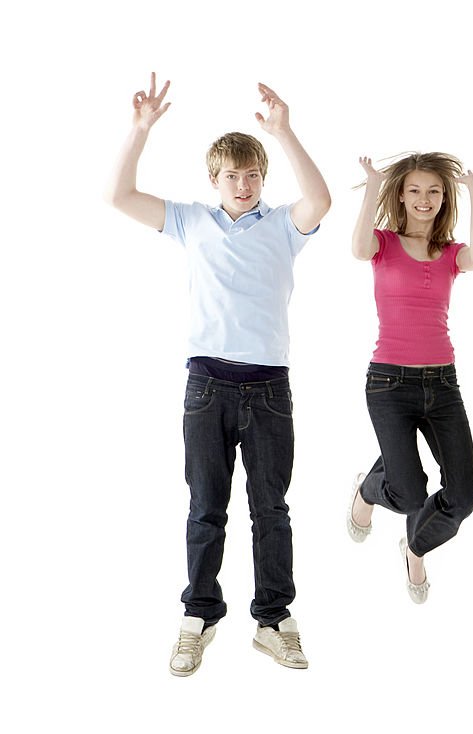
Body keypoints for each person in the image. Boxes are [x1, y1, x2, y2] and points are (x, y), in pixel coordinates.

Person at [107, 74, 331, 675]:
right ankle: (199, 615)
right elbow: (120, 195)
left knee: (271, 508)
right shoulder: (190, 221)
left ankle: (273, 618)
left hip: (269, 389)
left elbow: (322, 200)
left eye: (252, 174)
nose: (242, 183)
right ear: (215, 179)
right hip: (207, 385)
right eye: (232, 175)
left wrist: (283, 132)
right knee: (206, 506)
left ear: (262, 177)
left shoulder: (284, 225)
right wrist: (140, 129)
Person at [347, 152, 473, 604]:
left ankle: (415, 547)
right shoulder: (383, 244)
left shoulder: (448, 254)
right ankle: (369, 489)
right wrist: (372, 184)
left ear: (444, 198)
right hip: (388, 384)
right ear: (402, 197)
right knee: (408, 495)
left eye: (433, 191)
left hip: (443, 386)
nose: (424, 199)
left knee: (463, 496)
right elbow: (357, 247)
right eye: (414, 190)